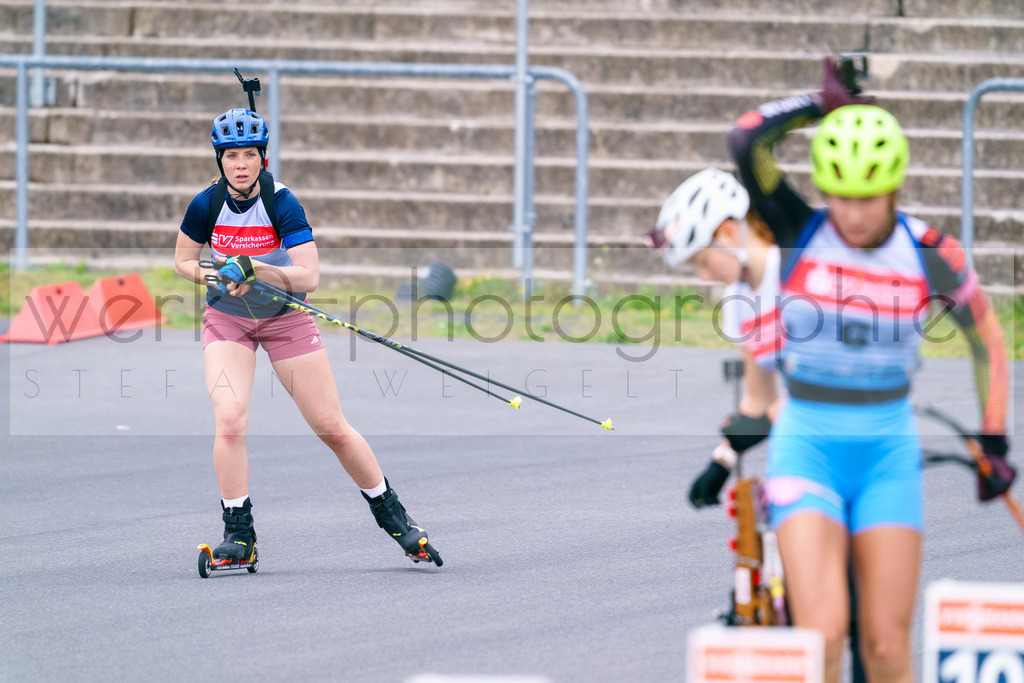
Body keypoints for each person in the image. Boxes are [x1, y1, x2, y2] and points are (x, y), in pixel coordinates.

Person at [726, 59, 1014, 682]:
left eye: (869, 195)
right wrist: (818, 102)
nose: (853, 212)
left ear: (895, 186)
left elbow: (988, 341)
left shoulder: (931, 253)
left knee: (886, 646)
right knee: (822, 635)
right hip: (808, 446)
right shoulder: (800, 230)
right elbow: (749, 140)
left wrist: (994, 436)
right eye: (841, 194)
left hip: (887, 450)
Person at [173, 107, 439, 566]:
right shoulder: (205, 204)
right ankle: (239, 535)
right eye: (231, 155)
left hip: (285, 319)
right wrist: (212, 276)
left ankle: (395, 518)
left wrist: (257, 269)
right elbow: (182, 260)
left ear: (264, 158)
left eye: (250, 155)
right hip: (228, 319)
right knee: (230, 419)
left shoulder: (282, 203)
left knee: (331, 427)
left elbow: (308, 275)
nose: (240, 164)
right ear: (219, 160)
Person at [646, 168, 784, 507]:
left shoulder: (795, 275)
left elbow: (827, 388)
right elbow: (759, 399)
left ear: (727, 232)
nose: (704, 275)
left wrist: (763, 424)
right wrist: (721, 462)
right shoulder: (736, 299)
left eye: (703, 261)